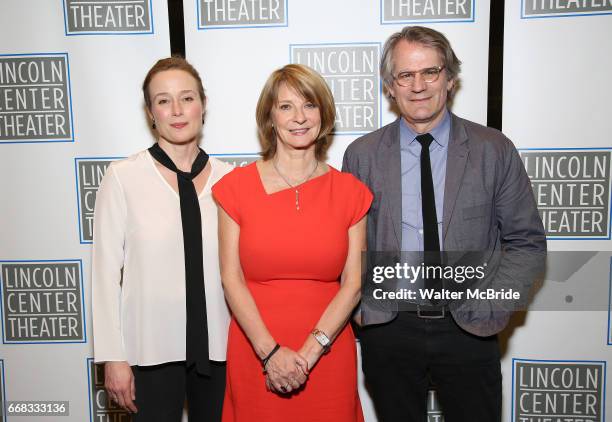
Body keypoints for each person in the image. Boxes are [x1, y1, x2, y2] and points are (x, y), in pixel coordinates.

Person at [342, 26, 546, 421]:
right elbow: (348, 244)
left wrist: (493, 305)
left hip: (470, 327)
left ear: (450, 79)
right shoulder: (361, 156)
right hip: (388, 328)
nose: (418, 85)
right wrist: (362, 310)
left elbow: (526, 243)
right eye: (405, 75)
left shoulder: (493, 149)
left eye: (430, 72)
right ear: (389, 85)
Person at [212, 63, 371, 422]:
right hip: (256, 350)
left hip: (328, 354)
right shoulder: (235, 189)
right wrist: (270, 354)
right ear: (270, 116)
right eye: (286, 106)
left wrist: (312, 351)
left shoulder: (351, 193)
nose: (299, 117)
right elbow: (231, 278)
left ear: (324, 113)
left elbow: (354, 283)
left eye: (309, 105)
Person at [92, 56, 232, 421]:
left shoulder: (231, 180)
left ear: (203, 103)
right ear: (150, 112)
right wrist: (113, 357)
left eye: (187, 98)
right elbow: (104, 273)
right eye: (163, 100)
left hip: (221, 350)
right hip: (149, 352)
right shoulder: (123, 177)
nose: (177, 110)